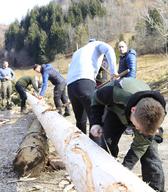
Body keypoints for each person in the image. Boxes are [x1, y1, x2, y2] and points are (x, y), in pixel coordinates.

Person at [90, 77, 166, 192]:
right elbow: (96, 98)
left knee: (151, 153)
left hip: (140, 117)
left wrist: (124, 169)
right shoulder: (114, 92)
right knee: (107, 145)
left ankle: (155, 189)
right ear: (133, 110)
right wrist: (96, 123)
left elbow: (139, 146)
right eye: (137, 128)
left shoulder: (157, 115)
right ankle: (104, 181)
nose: (137, 131)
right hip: (116, 111)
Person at [66, 40, 117, 134]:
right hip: (85, 82)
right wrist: (114, 72)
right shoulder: (98, 44)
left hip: (70, 86)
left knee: (80, 121)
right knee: (96, 122)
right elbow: (109, 49)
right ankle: (97, 147)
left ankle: (81, 146)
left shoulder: (78, 52)